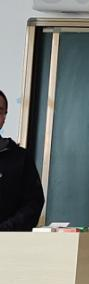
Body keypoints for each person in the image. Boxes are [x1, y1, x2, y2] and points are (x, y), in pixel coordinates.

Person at [0, 89, 45, 232]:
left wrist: (5, 229)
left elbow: (33, 203)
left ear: (4, 117)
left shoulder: (21, 158)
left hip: (7, 241)